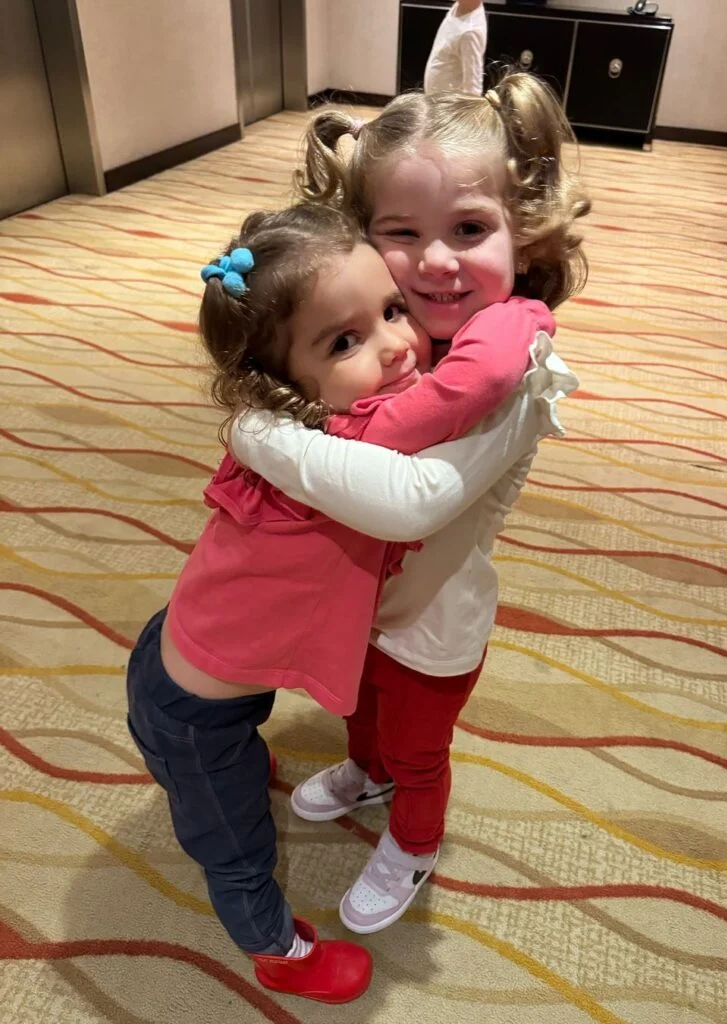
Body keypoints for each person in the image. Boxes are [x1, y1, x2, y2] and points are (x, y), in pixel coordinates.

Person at [126, 201, 562, 1003]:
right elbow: (466, 390)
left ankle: (203, 768)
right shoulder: (352, 440)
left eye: (392, 310)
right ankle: (277, 951)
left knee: (202, 744)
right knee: (231, 846)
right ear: (286, 383)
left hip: (181, 654)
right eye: (343, 342)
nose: (395, 344)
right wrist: (521, 311)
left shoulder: (295, 431)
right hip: (195, 707)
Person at [230, 70, 587, 936]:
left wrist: (258, 435)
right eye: (400, 232)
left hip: (437, 619)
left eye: (468, 229)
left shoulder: (516, 371)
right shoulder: (397, 335)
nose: (434, 261)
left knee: (420, 747)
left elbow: (408, 501)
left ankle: (413, 840)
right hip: (358, 595)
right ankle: (367, 769)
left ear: (523, 233)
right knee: (357, 706)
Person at [424, 0, 487, 96]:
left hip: (447, 101)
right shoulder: (458, 7)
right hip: (435, 97)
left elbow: (473, 87)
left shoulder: (470, 33)